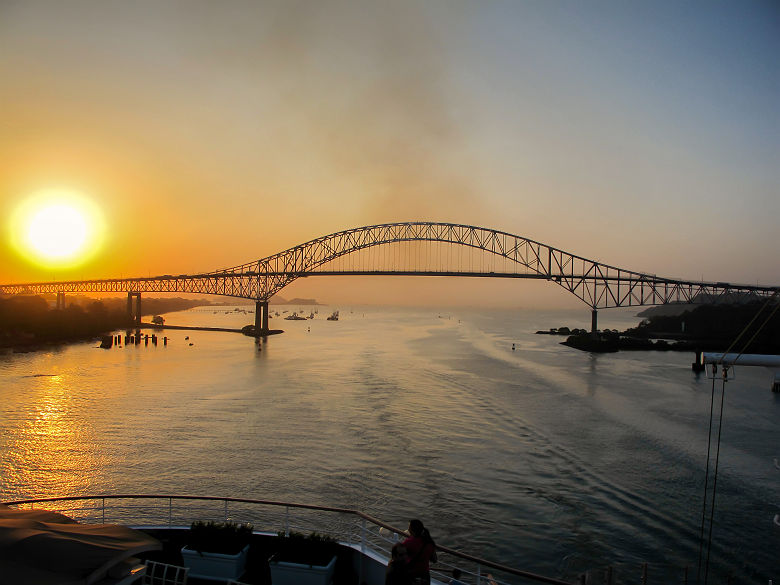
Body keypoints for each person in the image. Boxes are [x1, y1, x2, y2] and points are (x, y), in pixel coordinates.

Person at [402, 519, 437, 585]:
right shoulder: (429, 542)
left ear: (412, 530)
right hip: (425, 576)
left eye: (409, 527)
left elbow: (400, 556)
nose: (408, 530)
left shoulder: (409, 542)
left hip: (412, 575)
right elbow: (434, 560)